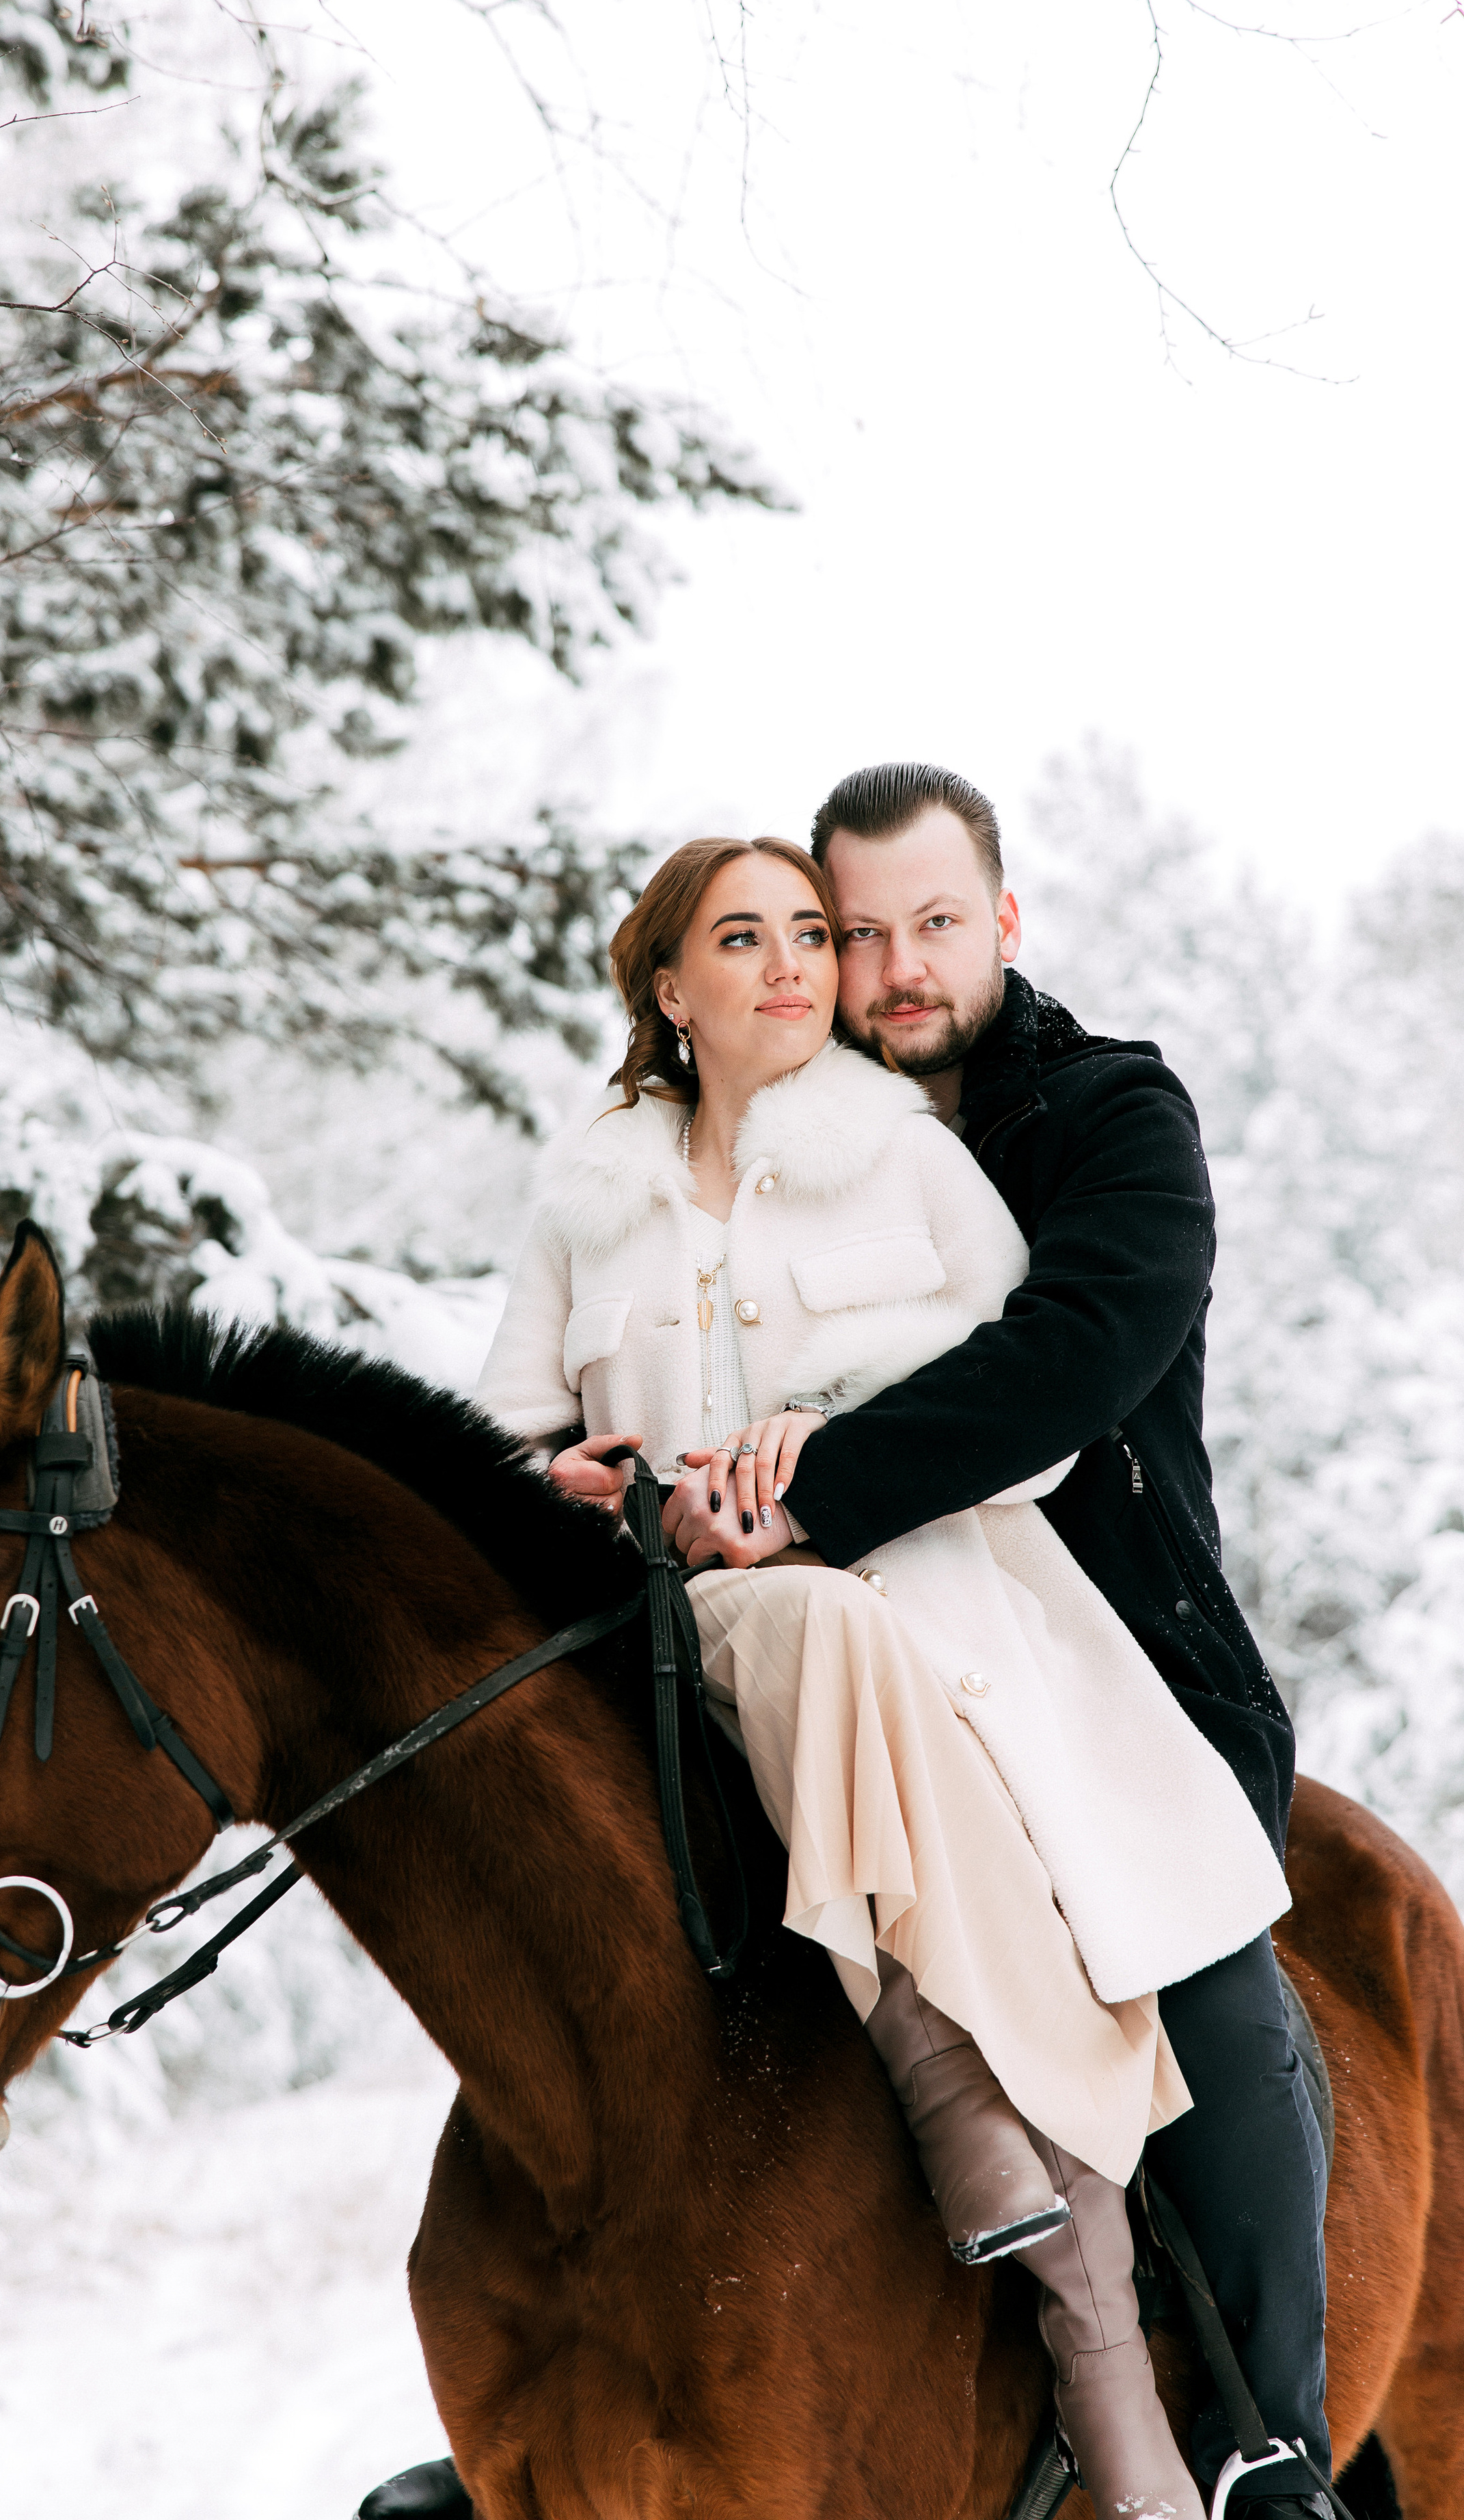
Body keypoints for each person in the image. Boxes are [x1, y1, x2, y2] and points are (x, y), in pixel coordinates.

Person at [453, 829, 1289, 2520]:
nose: (811, 964)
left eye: (812, 937)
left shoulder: (923, 1150)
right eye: (764, 935)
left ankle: (1249, 2425)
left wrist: (816, 1464)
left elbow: (1037, 1383)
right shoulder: (586, 1193)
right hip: (671, 1645)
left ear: (994, 919)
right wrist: (563, 1480)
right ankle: (530, 2380)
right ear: (665, 988)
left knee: (1193, 1953)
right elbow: (505, 1428)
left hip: (939, 1624)